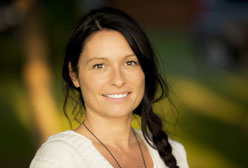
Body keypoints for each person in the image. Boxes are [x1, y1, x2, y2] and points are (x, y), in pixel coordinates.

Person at [30, 7, 189, 168]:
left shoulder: (174, 153)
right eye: (100, 66)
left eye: (130, 63)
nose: (118, 80)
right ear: (74, 74)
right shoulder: (59, 159)